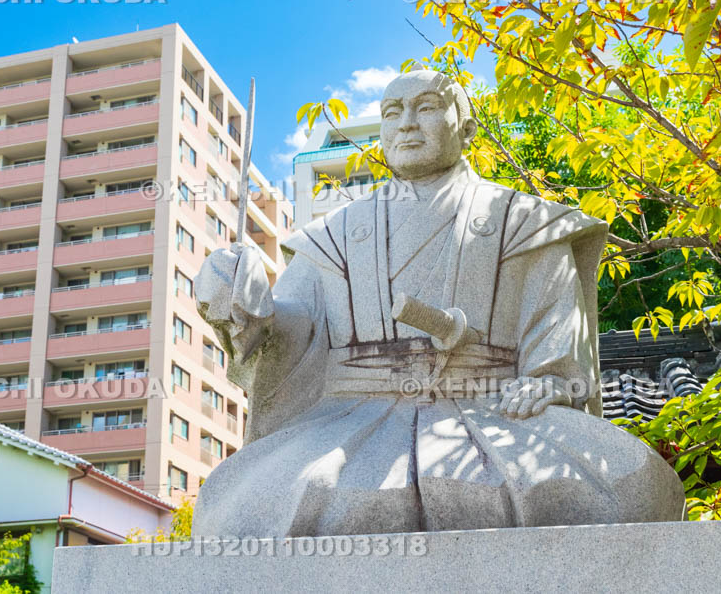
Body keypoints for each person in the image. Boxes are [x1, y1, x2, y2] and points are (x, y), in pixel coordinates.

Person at [193, 65, 683, 537]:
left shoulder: (527, 223)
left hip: (495, 411)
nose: (406, 122)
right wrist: (246, 301)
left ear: (466, 127)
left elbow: (557, 355)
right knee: (244, 512)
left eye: (426, 107)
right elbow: (289, 333)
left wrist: (547, 384)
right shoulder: (336, 235)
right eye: (391, 112)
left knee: (633, 489)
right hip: (349, 420)